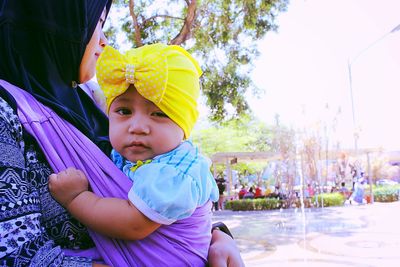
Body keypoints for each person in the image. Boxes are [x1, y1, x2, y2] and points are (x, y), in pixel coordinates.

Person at [0, 1, 244, 266]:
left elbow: (154, 200)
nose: (104, 41)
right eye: (98, 24)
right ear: (59, 20)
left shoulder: (90, 102)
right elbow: (15, 256)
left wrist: (216, 237)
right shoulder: (7, 112)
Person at [48, 43, 219, 265]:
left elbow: (133, 223)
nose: (137, 126)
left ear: (184, 126)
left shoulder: (174, 171)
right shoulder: (130, 156)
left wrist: (75, 198)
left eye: (158, 113)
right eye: (124, 111)